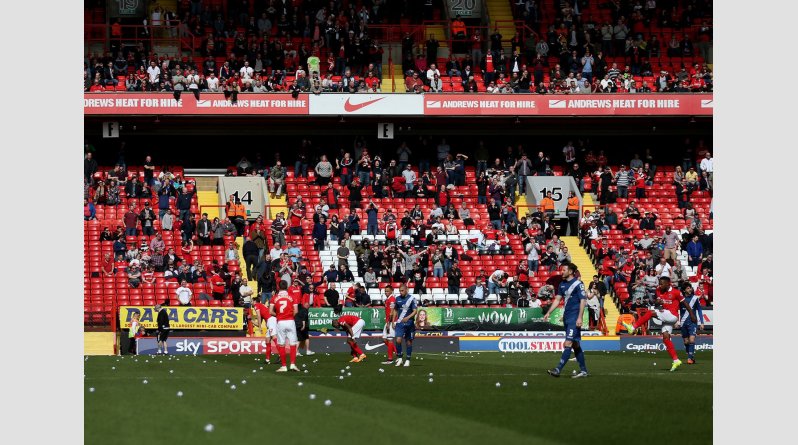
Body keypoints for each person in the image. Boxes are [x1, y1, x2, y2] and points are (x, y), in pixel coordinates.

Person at [622, 276, 697, 372]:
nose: (659, 285)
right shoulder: (658, 290)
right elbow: (655, 302)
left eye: (662, 284)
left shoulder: (676, 292)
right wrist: (657, 302)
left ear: (668, 284)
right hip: (665, 315)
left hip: (672, 316)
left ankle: (633, 328)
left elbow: (686, 304)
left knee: (650, 312)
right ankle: (676, 360)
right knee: (666, 338)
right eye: (659, 283)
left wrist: (692, 315)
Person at [542, 262, 589, 378]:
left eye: (564, 270)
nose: (561, 272)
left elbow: (583, 300)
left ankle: (558, 369)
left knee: (568, 343)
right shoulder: (562, 284)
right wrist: (549, 312)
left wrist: (579, 317)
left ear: (571, 271)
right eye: (561, 270)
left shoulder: (578, 284)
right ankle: (584, 371)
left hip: (574, 318)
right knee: (576, 344)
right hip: (567, 317)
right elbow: (557, 300)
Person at [270, 281, 300, 372]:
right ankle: (292, 365)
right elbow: (296, 311)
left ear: (278, 287)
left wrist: (279, 315)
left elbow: (270, 312)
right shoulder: (292, 296)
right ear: (287, 287)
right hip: (290, 321)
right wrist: (289, 316)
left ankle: (283, 366)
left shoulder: (274, 298)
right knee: (293, 343)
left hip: (280, 322)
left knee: (281, 344)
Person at [391, 284, 418, 367]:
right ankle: (399, 358)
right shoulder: (397, 299)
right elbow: (395, 310)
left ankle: (408, 360)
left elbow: (415, 311)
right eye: (400, 291)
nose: (401, 292)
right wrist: (393, 321)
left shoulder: (412, 299)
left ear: (407, 290)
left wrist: (408, 317)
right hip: (400, 323)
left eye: (402, 290)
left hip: (409, 323)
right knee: (398, 340)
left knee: (408, 342)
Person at [679, 282, 705, 365]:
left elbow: (699, 310)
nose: (690, 289)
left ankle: (689, 358)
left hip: (693, 322)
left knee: (692, 339)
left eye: (690, 288)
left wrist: (702, 322)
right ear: (684, 290)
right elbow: (676, 309)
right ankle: (691, 355)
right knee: (686, 341)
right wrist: (676, 320)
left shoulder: (695, 298)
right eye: (687, 288)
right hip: (683, 322)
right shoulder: (681, 299)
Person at [252, 296, 278, 364]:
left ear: (255, 301)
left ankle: (281, 354)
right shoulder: (261, 306)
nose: (251, 302)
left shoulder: (256, 305)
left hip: (271, 320)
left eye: (251, 301)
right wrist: (251, 320)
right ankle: (267, 360)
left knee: (274, 337)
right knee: (267, 340)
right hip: (270, 321)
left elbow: (258, 316)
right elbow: (258, 323)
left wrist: (260, 328)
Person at [380, 285, 398, 364]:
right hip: (388, 321)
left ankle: (390, 359)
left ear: (392, 291)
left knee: (390, 339)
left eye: (387, 291)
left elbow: (392, 311)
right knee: (384, 339)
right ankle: (397, 353)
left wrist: (389, 322)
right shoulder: (388, 299)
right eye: (385, 291)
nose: (386, 292)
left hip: (390, 322)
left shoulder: (392, 299)